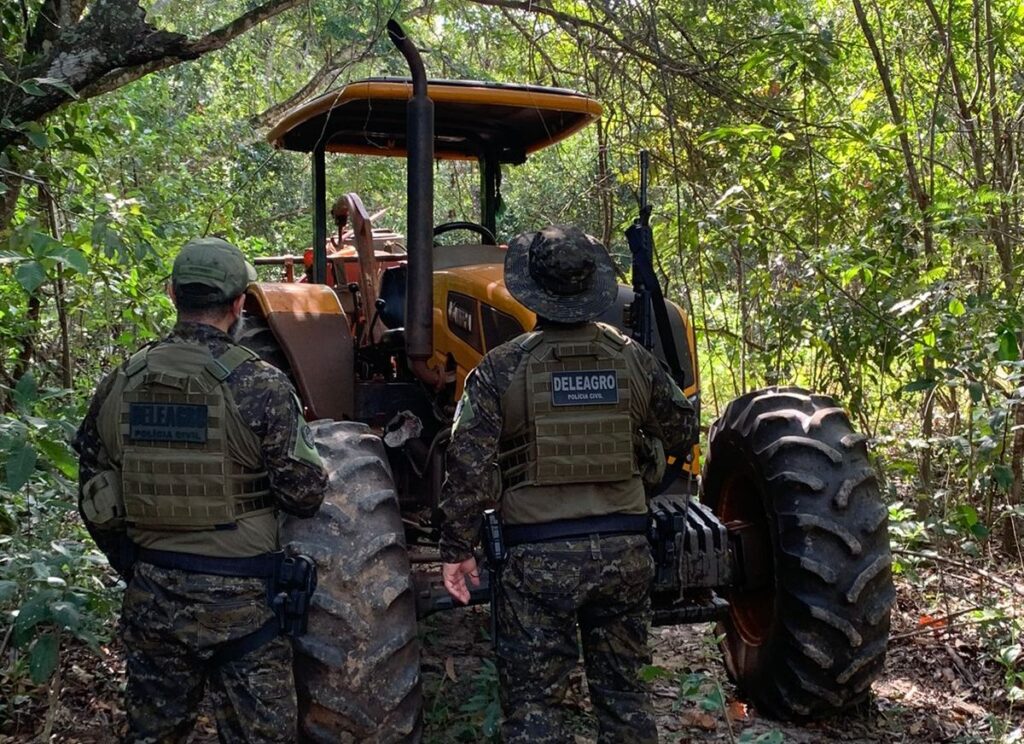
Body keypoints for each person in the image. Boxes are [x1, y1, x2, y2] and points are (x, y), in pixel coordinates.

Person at [439, 225, 698, 743]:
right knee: (626, 702)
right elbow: (682, 428)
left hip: (536, 559)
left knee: (535, 711)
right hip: (624, 553)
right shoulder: (632, 357)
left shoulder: (500, 369)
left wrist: (457, 548)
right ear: (593, 286)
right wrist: (640, 453)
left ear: (530, 289)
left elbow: (467, 463)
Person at [74, 236, 328, 743]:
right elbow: (304, 493)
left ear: (172, 294)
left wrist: (136, 560)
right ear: (239, 304)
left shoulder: (123, 379)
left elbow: (93, 488)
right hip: (244, 608)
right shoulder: (261, 384)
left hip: (153, 596)